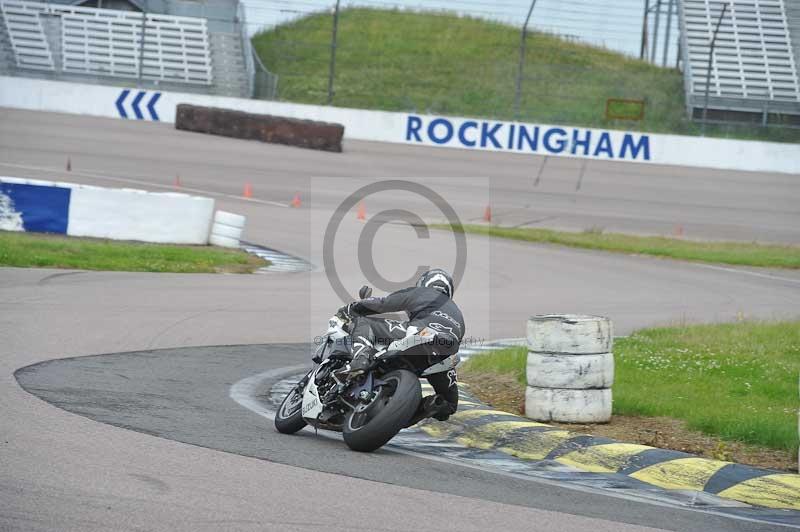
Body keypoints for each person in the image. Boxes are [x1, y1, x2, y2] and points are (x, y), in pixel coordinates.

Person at [335, 268, 465, 422]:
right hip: (445, 352)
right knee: (448, 406)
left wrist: (351, 308)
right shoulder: (458, 314)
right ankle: (427, 406)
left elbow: (382, 304)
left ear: (424, 283)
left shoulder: (421, 292)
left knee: (363, 323)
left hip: (421, 334)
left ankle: (360, 360)